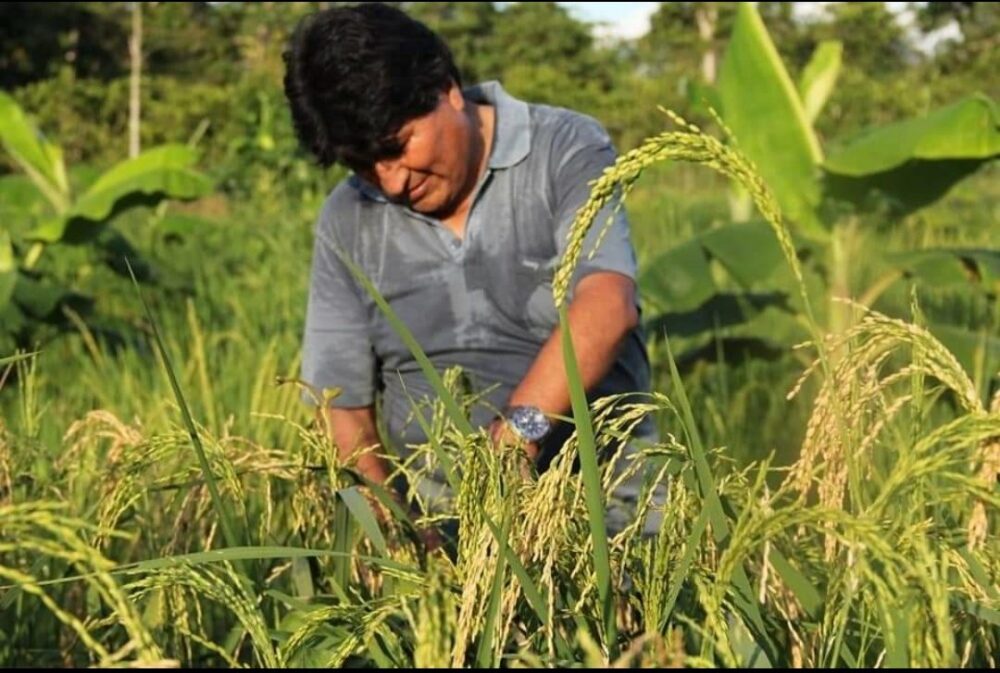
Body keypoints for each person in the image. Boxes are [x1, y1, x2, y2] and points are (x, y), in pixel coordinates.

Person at [282, 3, 659, 542]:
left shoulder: (565, 148)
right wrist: (394, 535)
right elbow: (341, 405)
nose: (391, 183)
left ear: (446, 88)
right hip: (444, 529)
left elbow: (607, 304)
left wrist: (515, 442)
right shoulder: (348, 217)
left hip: (604, 509)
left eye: (396, 148)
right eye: (364, 165)